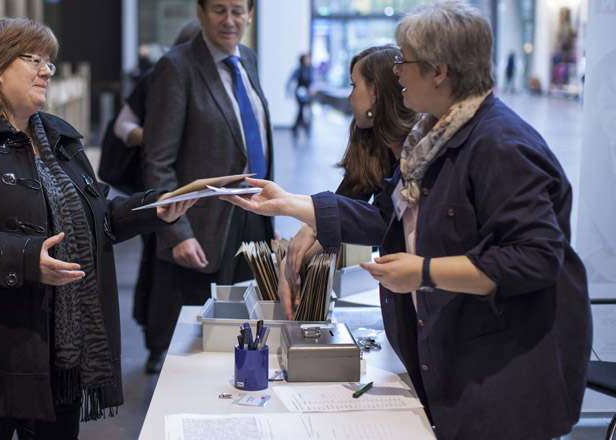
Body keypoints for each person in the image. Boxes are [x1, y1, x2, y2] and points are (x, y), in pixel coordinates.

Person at [221, 2, 591, 439]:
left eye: (404, 60)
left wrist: (424, 273)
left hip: (504, 377)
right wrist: (291, 204)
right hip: (460, 364)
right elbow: (383, 217)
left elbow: (534, 259)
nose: (396, 72)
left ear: (439, 70)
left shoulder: (500, 146)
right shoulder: (432, 139)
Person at [0, 18, 194, 439]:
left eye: (50, 62)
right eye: (35, 60)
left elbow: (97, 217)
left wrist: (154, 208)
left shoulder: (58, 137)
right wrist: (26, 260)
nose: (47, 70)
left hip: (61, 354)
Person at [141, 0, 274, 374]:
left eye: (238, 10)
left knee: (250, 325)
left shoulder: (247, 59)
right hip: (202, 227)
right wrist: (177, 232)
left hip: (253, 213)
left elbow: (256, 139)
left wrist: (269, 209)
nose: (229, 20)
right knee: (204, 345)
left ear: (250, 15)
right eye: (219, 9)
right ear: (199, 14)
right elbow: (158, 161)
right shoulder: (176, 66)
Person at [280, 46, 418, 312]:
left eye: (355, 86)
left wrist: (293, 209)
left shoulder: (414, 153)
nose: (350, 96)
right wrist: (295, 260)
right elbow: (345, 202)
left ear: (376, 94)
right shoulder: (375, 143)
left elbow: (378, 222)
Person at [105, 19, 202, 374]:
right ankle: (158, 345)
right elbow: (122, 127)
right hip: (164, 189)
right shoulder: (161, 76)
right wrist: (159, 137)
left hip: (200, 194)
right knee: (162, 270)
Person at [288, 53, 313, 137]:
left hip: (307, 93)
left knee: (302, 109)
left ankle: (299, 126)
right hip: (299, 92)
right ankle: (302, 126)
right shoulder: (298, 70)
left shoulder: (310, 70)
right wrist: (289, 92)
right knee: (301, 108)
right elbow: (291, 81)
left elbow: (312, 81)